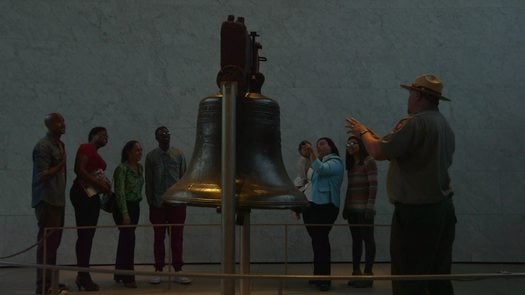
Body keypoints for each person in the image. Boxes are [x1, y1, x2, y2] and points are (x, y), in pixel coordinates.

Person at [346, 74, 456, 295]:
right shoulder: (443, 125)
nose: (408, 99)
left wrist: (363, 132)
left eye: (410, 94)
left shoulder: (416, 123)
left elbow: (378, 151)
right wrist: (376, 137)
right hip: (442, 209)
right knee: (437, 276)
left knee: (409, 275)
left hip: (417, 213)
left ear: (418, 96)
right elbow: (394, 149)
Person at [145, 127, 191, 285]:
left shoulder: (178, 154)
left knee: (177, 238)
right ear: (156, 138)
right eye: (162, 135)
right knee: (159, 238)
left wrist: (183, 199)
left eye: (167, 135)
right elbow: (149, 181)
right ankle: (159, 269)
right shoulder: (151, 157)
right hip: (158, 204)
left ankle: (178, 269)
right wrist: (151, 202)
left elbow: (184, 177)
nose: (165, 137)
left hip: (177, 204)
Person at [70, 127, 111, 291]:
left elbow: (93, 173)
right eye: (102, 134)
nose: (106, 137)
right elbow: (79, 170)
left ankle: (83, 274)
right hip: (82, 194)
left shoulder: (95, 153)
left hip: (92, 195)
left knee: (87, 235)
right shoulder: (86, 147)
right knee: (85, 235)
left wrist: (104, 185)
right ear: (92, 135)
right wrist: (100, 185)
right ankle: (83, 275)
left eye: (107, 135)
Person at [31, 113, 68, 295]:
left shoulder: (60, 145)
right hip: (46, 200)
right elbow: (42, 174)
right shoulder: (43, 146)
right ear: (49, 125)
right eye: (59, 121)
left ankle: (51, 282)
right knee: (46, 246)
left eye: (63, 121)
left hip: (58, 200)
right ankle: (43, 287)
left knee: (54, 245)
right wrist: (61, 164)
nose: (63, 124)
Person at [301, 137, 344, 292]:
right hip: (312, 206)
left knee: (321, 241)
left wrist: (312, 154)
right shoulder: (316, 161)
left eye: (323, 144)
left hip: (326, 206)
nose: (319, 147)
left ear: (331, 146)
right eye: (317, 145)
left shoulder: (336, 162)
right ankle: (318, 275)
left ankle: (325, 278)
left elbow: (322, 170)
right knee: (316, 241)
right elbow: (308, 180)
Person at [342, 135, 377, 288]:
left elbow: (373, 186)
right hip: (352, 210)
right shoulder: (351, 165)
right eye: (349, 143)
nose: (351, 145)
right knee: (356, 241)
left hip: (364, 210)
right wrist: (346, 208)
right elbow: (350, 189)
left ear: (361, 145)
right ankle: (356, 273)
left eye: (354, 142)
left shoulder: (369, 161)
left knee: (368, 240)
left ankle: (368, 274)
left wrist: (369, 206)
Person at [113, 140, 144, 288]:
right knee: (129, 241)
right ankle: (128, 277)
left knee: (125, 240)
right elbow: (119, 193)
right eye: (137, 150)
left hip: (135, 206)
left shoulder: (140, 168)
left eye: (140, 150)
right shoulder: (122, 169)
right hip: (123, 207)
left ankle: (119, 273)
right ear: (128, 152)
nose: (140, 153)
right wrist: (125, 214)